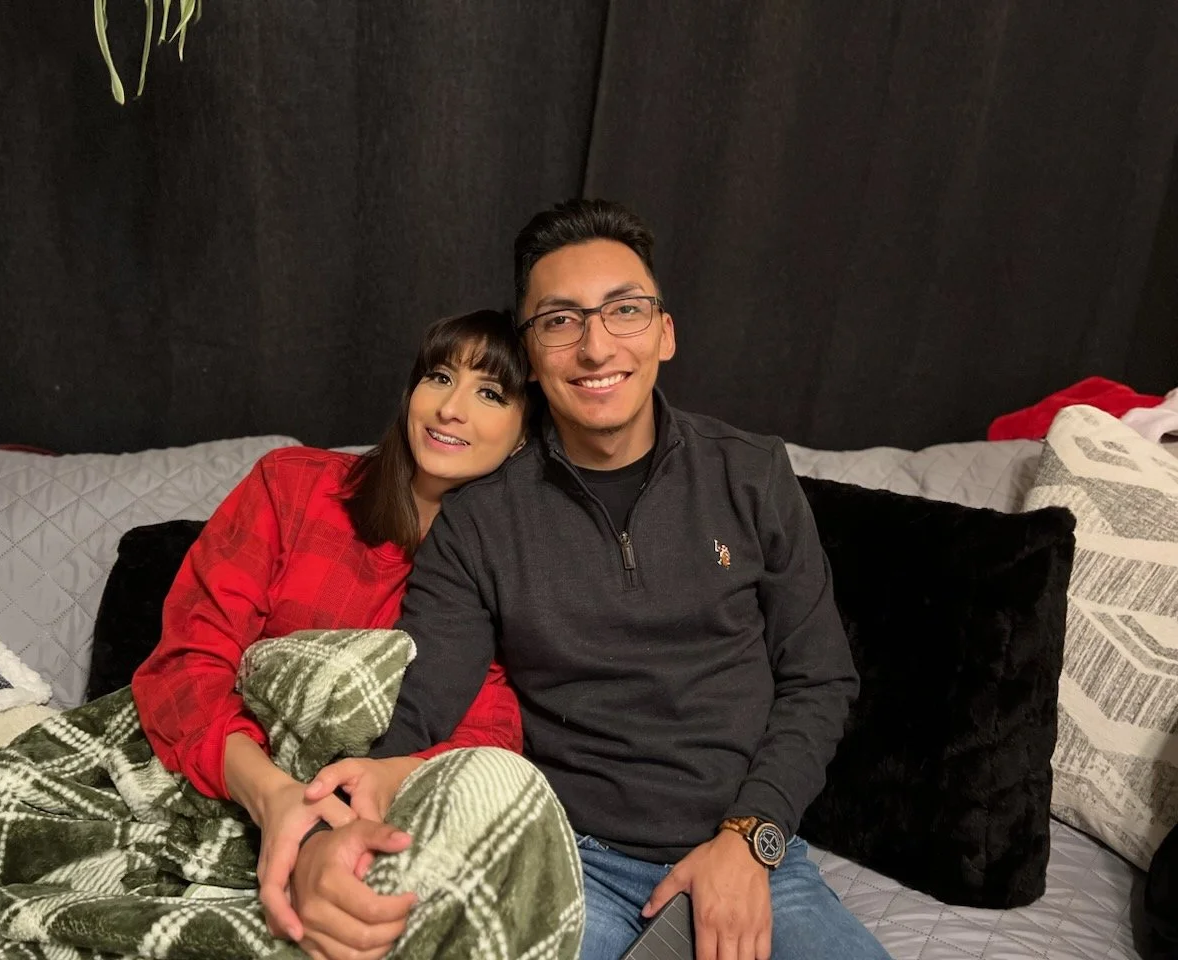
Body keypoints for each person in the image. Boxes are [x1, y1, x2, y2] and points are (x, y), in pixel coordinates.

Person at [300, 199, 893, 960]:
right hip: (572, 864)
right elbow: (418, 711)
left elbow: (821, 678)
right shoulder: (480, 520)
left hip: (748, 851)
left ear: (664, 332)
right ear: (529, 354)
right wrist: (329, 824)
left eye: (625, 310)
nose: (595, 346)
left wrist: (753, 838)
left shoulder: (752, 474)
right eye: (560, 321)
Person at [131, 308, 533, 948]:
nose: (450, 408)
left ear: (522, 436)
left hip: (362, 827)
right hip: (223, 780)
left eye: (489, 393)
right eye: (438, 377)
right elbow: (186, 665)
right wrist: (275, 797)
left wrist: (362, 800)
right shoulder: (292, 486)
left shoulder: (501, 575)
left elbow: (490, 737)